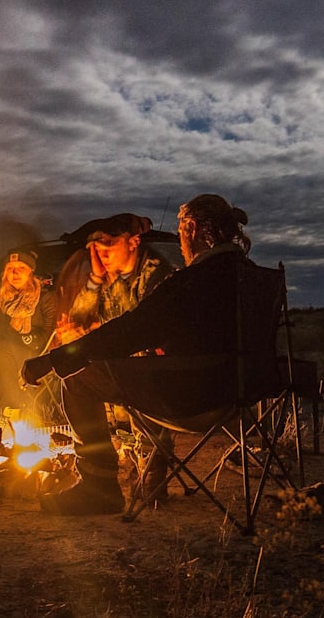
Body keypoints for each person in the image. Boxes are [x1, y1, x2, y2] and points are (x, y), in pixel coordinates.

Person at [20, 194, 258, 515]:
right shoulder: (256, 277)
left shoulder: (188, 282)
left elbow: (130, 331)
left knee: (79, 377)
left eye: (179, 230)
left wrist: (54, 359)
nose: (179, 240)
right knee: (114, 364)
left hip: (191, 398)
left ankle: (99, 486)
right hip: (243, 395)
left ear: (191, 228)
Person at [48, 212, 174, 347]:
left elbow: (139, 334)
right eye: (98, 249)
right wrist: (95, 279)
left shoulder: (156, 277)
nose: (103, 256)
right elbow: (80, 319)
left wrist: (88, 336)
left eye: (109, 246)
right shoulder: (111, 276)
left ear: (133, 242)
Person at [0, 249, 59, 417]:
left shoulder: (44, 298)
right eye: (10, 268)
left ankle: (13, 413)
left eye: (21, 268)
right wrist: (8, 332)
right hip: (1, 355)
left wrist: (16, 335)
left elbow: (48, 336)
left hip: (34, 355)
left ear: (31, 272)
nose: (15, 272)